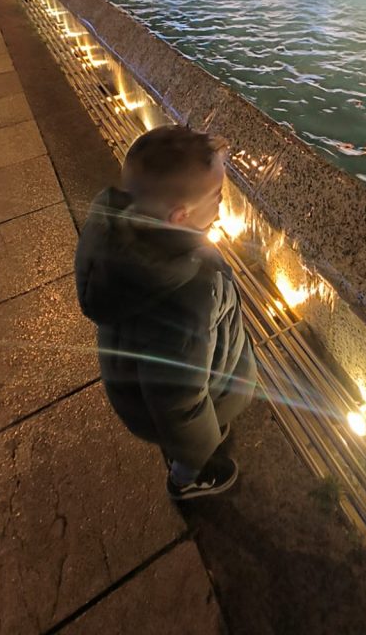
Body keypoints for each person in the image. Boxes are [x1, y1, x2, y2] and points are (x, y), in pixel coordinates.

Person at [75, 125, 257, 500]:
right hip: (175, 405)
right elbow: (178, 397)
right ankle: (188, 477)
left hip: (134, 386)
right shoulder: (187, 291)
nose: (222, 203)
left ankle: (190, 444)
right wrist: (199, 445)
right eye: (217, 195)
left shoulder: (119, 239)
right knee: (188, 438)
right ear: (180, 217)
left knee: (182, 421)